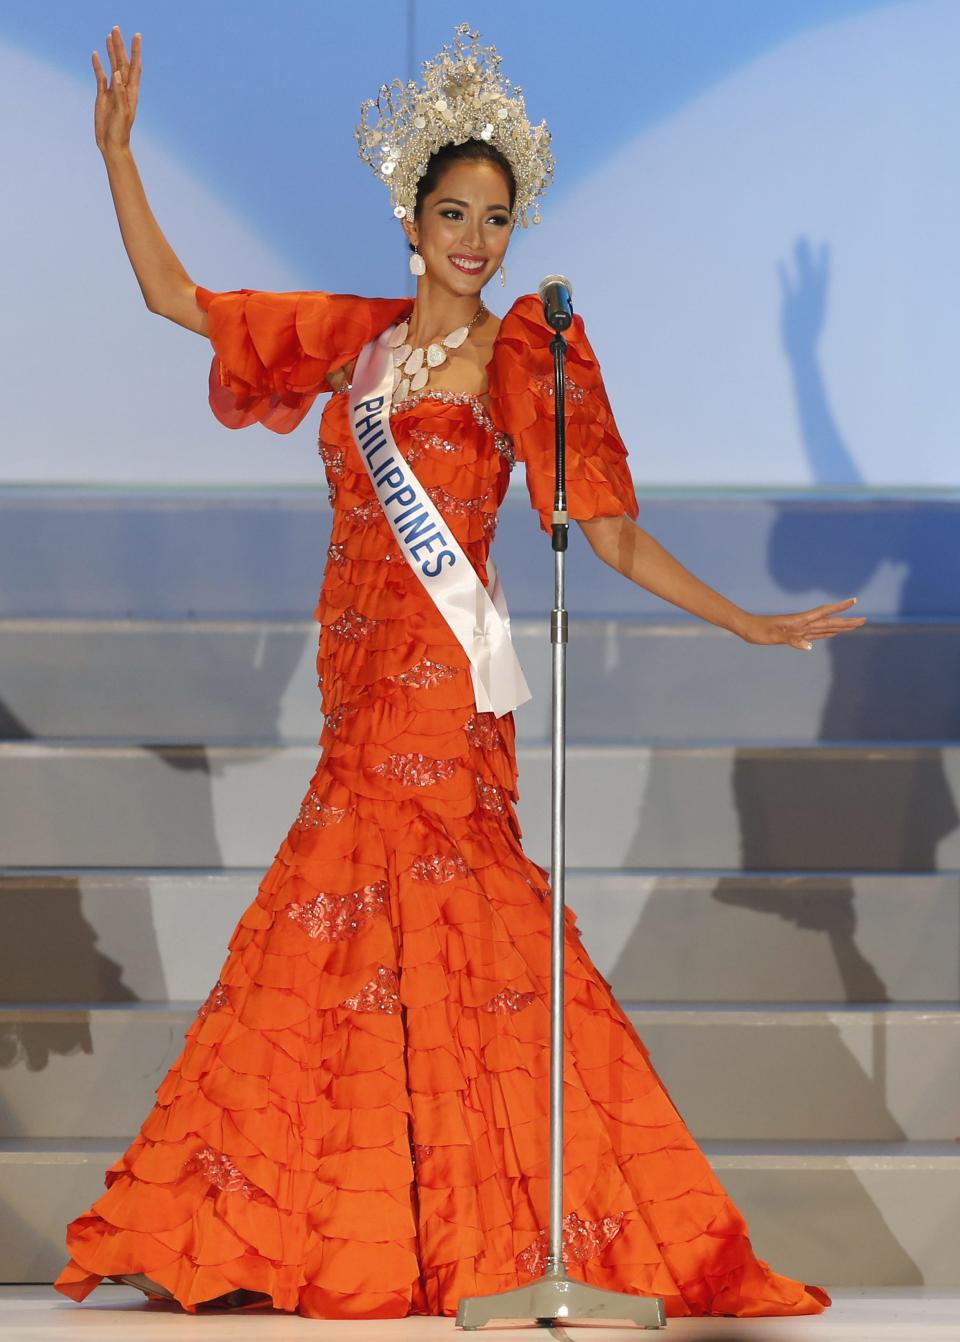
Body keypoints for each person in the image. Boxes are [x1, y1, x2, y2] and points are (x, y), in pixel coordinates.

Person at [55, 23, 864, 1321]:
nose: (478, 239)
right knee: (330, 960)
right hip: (352, 689)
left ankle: (495, 1236)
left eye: (497, 217)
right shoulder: (359, 345)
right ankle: (275, 1229)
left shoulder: (521, 355)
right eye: (455, 212)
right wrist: (116, 158)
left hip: (440, 698)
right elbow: (178, 300)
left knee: (461, 943)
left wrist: (744, 623)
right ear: (412, 213)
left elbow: (606, 529)